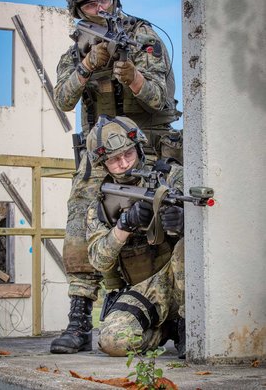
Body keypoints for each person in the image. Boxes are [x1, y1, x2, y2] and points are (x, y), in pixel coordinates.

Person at [50, 0, 183, 354]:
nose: (100, 8)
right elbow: (62, 99)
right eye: (91, 4)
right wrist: (90, 64)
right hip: (101, 154)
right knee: (80, 220)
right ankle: (79, 321)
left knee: (173, 216)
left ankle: (178, 311)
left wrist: (133, 77)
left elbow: (161, 100)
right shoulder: (77, 49)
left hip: (146, 147)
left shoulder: (143, 37)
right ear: (79, 9)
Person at [86, 115, 185, 358]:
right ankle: (161, 332)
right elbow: (99, 260)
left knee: (188, 247)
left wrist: (185, 222)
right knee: (112, 341)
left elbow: (213, 224)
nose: (123, 164)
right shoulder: (100, 204)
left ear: (139, 147)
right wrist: (125, 224)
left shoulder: (172, 176)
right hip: (148, 289)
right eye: (113, 160)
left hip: (181, 281)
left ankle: (188, 325)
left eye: (128, 154)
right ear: (102, 164)